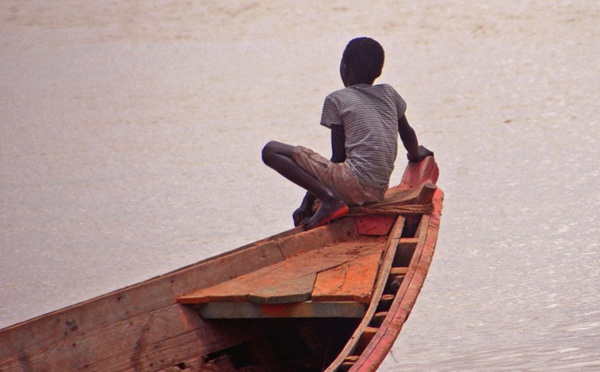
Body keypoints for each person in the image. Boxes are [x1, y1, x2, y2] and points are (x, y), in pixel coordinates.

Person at [262, 37, 433, 230]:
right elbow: (407, 134)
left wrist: (309, 200)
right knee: (319, 193)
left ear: (345, 69)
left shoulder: (336, 100)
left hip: (352, 184)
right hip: (377, 191)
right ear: (379, 71)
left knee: (271, 151)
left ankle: (329, 201)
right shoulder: (389, 93)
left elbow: (338, 157)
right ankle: (327, 200)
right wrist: (415, 154)